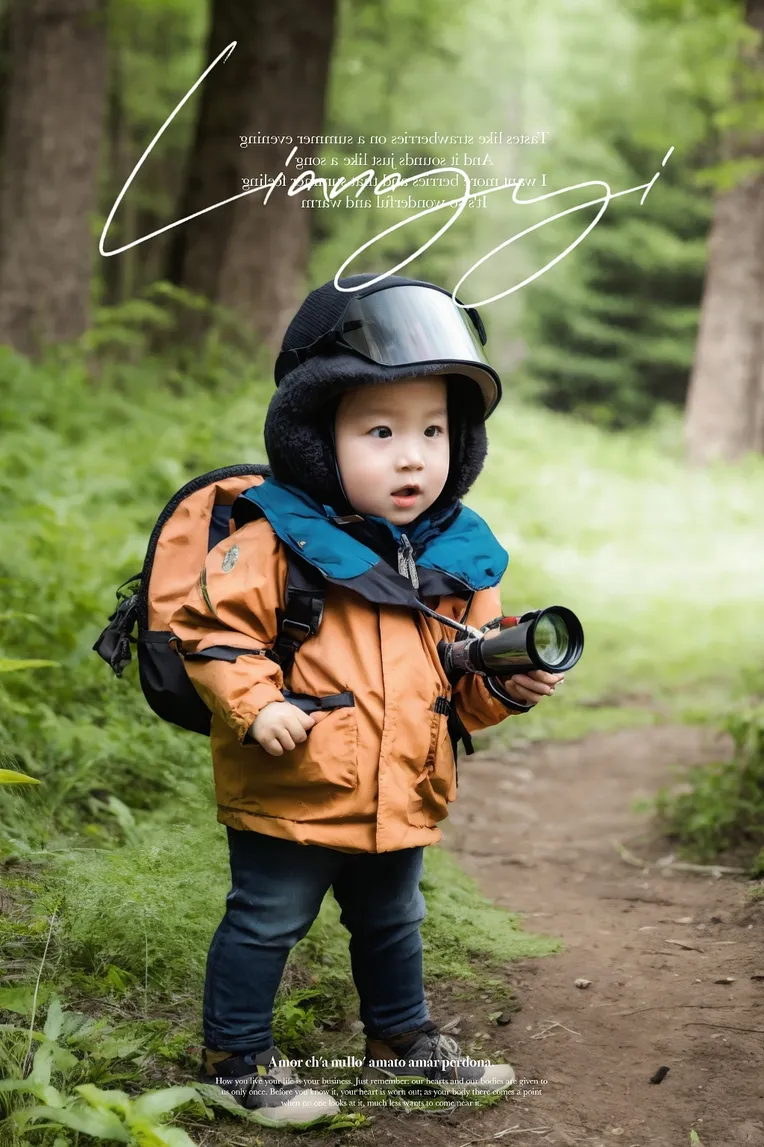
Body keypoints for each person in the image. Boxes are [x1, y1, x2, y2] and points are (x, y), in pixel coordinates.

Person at [169, 273, 564, 1129]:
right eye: (379, 431)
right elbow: (212, 636)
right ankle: (233, 1055)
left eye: (433, 430)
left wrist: (507, 684)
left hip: (401, 787)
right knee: (268, 918)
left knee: (394, 919)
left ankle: (401, 1039)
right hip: (293, 783)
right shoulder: (269, 538)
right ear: (319, 439)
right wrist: (256, 702)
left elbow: (459, 693)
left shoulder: (460, 555)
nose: (413, 454)